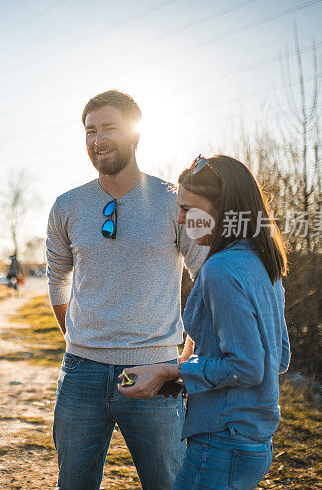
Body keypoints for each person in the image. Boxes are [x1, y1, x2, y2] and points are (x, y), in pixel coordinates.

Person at [45, 90, 207, 489]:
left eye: (109, 128)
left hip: (155, 371)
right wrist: (78, 337)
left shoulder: (176, 202)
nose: (97, 139)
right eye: (90, 131)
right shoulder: (66, 206)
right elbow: (57, 276)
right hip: (80, 373)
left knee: (169, 482)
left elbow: (206, 277)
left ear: (135, 134)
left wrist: (189, 355)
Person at [118, 155, 290, 490]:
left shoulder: (220, 269)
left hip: (221, 443)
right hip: (254, 444)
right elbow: (278, 357)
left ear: (223, 210)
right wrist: (186, 378)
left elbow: (247, 367)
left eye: (188, 209)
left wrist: (171, 371)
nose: (180, 220)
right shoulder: (266, 264)